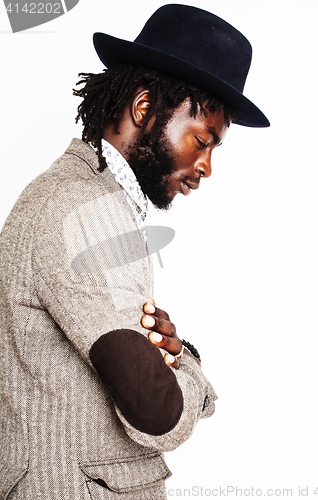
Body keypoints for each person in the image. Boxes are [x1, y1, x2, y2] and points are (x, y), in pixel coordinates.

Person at [0, 4, 269, 500]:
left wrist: (162, 353)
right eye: (202, 139)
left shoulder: (74, 196)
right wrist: (189, 370)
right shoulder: (88, 212)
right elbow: (156, 410)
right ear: (144, 108)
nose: (206, 166)